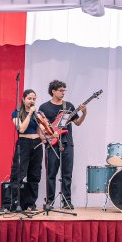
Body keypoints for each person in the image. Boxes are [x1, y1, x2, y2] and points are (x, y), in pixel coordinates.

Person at [38, 80, 87, 209]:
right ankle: (49, 202)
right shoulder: (44, 107)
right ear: (53, 91)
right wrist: (48, 136)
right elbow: (41, 127)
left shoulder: (68, 106)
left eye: (64, 90)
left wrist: (84, 113)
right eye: (60, 90)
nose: (63, 92)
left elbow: (77, 123)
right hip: (51, 144)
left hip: (67, 143)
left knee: (67, 174)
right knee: (51, 174)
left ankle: (67, 201)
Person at [9, 89, 44, 211]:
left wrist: (51, 135)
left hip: (37, 144)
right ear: (23, 99)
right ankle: (15, 203)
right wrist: (30, 114)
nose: (32, 101)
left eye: (34, 99)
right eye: (29, 98)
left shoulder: (37, 114)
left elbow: (40, 133)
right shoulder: (16, 113)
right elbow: (21, 129)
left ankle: (31, 203)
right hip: (24, 143)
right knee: (19, 173)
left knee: (34, 175)